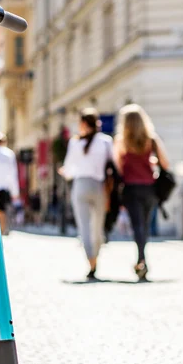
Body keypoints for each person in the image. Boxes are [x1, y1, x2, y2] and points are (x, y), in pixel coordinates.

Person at [113, 104, 170, 281]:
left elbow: (118, 167)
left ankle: (141, 259)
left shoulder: (122, 141)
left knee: (137, 225)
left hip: (131, 188)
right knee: (144, 225)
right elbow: (165, 164)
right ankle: (142, 259)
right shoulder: (151, 140)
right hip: (149, 188)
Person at [61, 109, 114, 280]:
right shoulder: (106, 141)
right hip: (99, 186)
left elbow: (68, 169)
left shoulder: (75, 143)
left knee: (84, 227)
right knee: (97, 227)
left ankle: (91, 262)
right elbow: (113, 164)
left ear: (83, 124)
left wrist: (65, 172)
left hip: (81, 185)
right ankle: (96, 259)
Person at [0, 133, 19, 235]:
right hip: (3, 187)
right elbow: (12, 174)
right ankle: (2, 230)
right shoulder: (9, 154)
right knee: (2, 210)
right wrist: (15, 192)